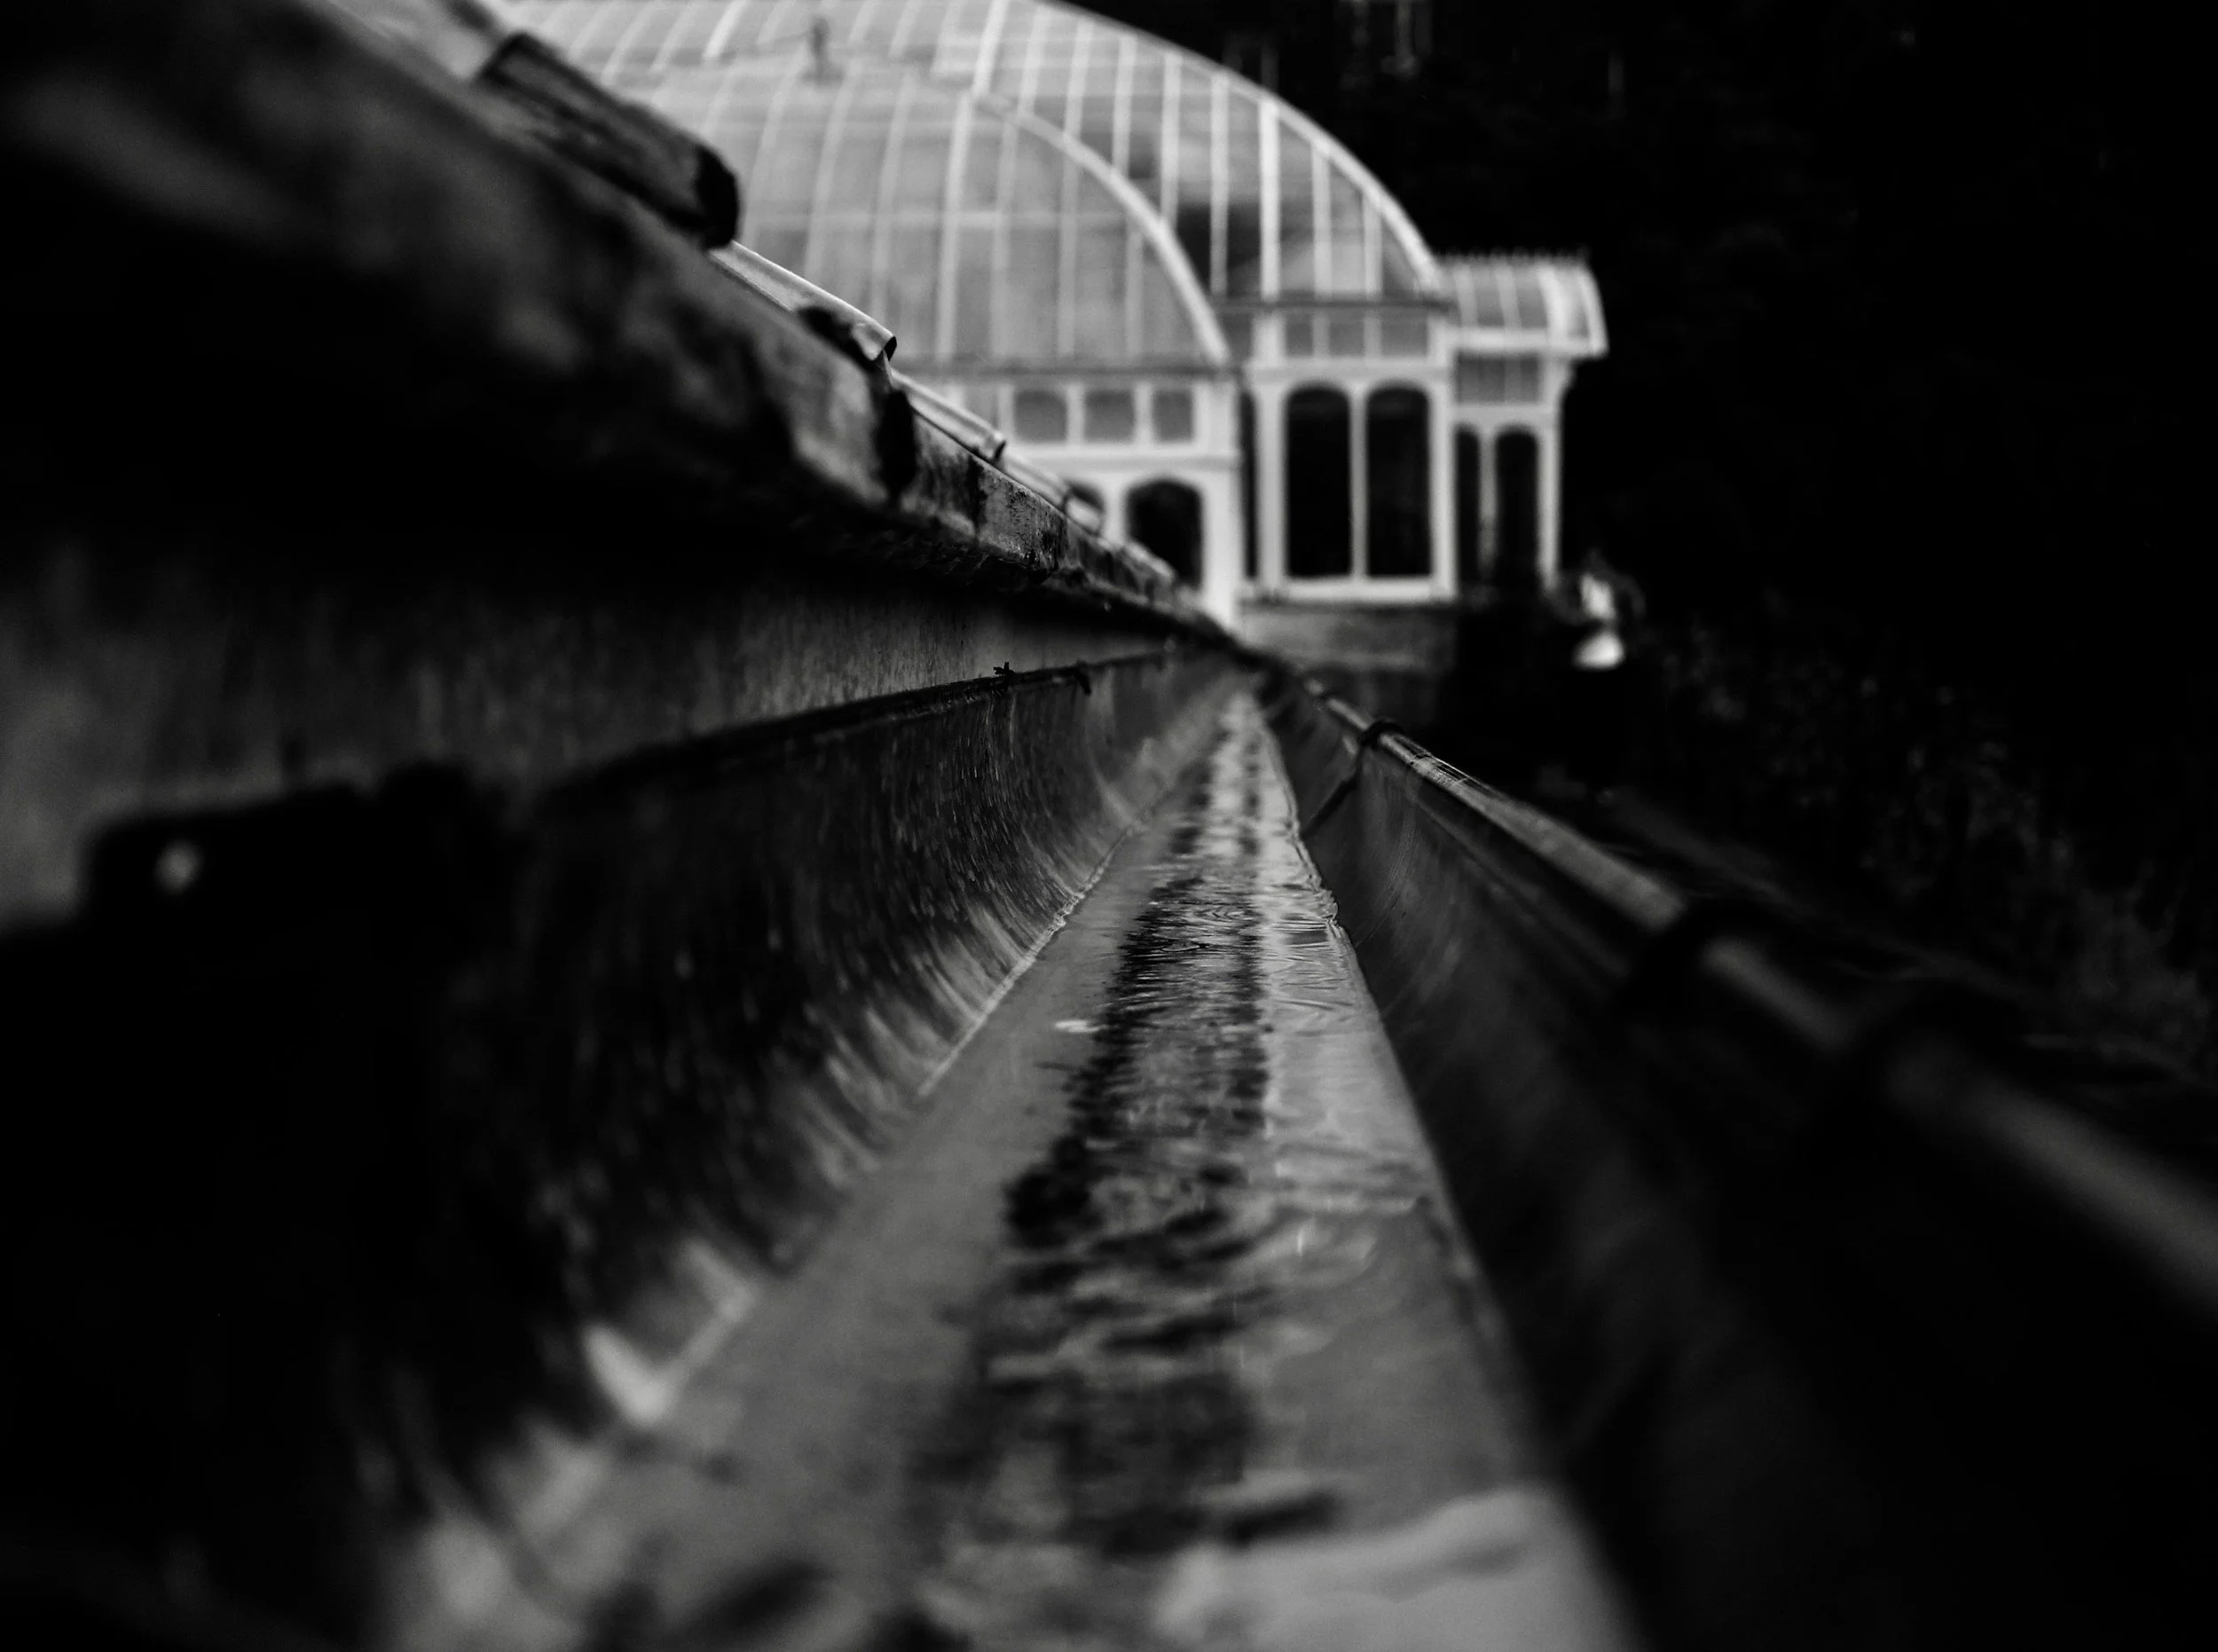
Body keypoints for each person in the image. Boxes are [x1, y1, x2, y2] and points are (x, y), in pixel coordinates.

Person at [1560, 548, 1642, 797]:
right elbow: (1565, 613)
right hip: (1585, 661)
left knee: (1607, 726)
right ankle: (1587, 780)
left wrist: (1621, 624)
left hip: (1611, 660)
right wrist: (1584, 620)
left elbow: (1636, 611)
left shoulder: (1620, 585)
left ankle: (1602, 783)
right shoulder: (1577, 583)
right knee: (1588, 726)